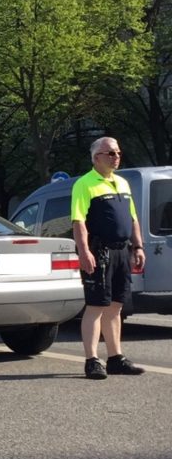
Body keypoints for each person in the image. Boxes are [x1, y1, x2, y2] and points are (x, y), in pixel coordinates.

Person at [71, 136, 146, 379]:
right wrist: (84, 251)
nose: (116, 157)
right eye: (111, 153)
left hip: (121, 250)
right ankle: (92, 360)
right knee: (96, 306)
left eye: (118, 153)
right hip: (99, 251)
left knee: (116, 307)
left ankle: (115, 358)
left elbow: (132, 218)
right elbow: (78, 220)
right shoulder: (85, 184)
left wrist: (138, 247)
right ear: (96, 158)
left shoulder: (122, 183)